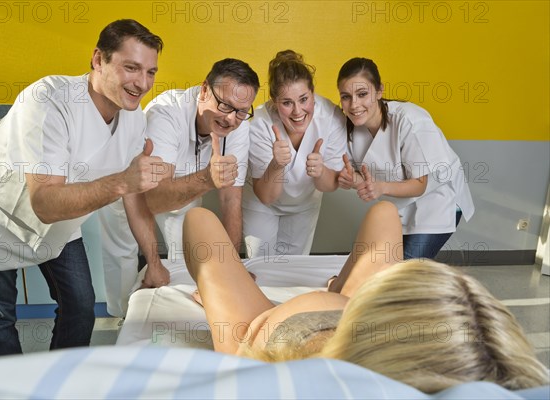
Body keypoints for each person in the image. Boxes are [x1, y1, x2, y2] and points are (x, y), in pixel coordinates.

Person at [0, 19, 166, 357]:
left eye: (150, 72)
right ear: (98, 59)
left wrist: (153, 261)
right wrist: (124, 180)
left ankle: (61, 378)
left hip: (63, 221)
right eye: (131, 67)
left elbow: (134, 195)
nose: (142, 83)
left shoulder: (134, 118)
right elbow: (45, 203)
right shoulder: (48, 100)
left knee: (80, 308)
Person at [182, 203, 549, 394]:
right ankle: (337, 286)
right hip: (369, 317)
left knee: (200, 221)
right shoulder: (472, 362)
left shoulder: (282, 377)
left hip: (258, 329)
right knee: (385, 212)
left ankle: (332, 289)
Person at [98, 58, 259, 316]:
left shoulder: (239, 126)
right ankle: (122, 318)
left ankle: (181, 318)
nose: (231, 119)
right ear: (205, 89)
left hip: (186, 185)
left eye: (241, 111)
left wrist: (232, 268)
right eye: (225, 105)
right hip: (132, 188)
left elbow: (231, 200)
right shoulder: (166, 113)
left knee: (186, 262)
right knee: (124, 258)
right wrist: (207, 178)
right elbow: (152, 201)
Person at [336, 57, 474, 260]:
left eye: (362, 94)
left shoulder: (410, 120)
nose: (354, 105)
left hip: (437, 201)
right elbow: (368, 179)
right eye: (346, 97)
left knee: (403, 270)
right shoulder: (350, 127)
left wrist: (380, 188)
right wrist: (353, 180)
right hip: (398, 206)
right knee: (376, 265)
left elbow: (420, 184)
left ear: (379, 91)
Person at [243, 50, 346, 258]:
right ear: (274, 101)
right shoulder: (260, 124)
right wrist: (276, 165)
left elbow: (330, 185)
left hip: (305, 204)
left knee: (294, 269)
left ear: (313, 93)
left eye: (304, 99)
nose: (298, 111)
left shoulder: (332, 118)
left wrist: (321, 171)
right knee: (261, 266)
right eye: (287, 103)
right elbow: (266, 196)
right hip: (262, 204)